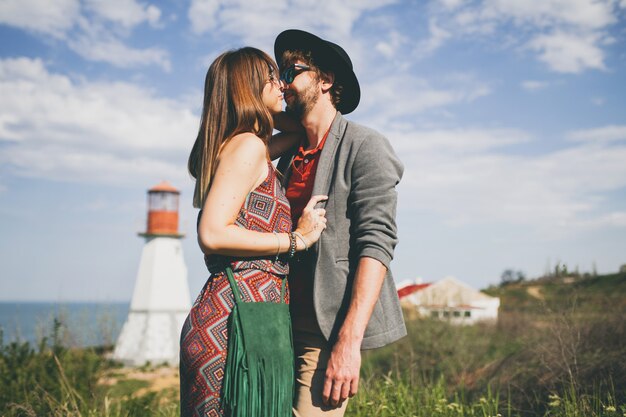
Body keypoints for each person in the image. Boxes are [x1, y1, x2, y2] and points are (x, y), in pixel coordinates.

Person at [179, 46, 327, 417]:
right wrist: (297, 239)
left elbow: (298, 128)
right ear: (248, 88)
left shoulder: (250, 147)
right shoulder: (246, 146)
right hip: (235, 321)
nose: (283, 84)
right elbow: (212, 233)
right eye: (272, 78)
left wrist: (273, 105)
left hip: (249, 313)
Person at [273, 30, 406, 416]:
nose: (282, 84)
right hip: (277, 325)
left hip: (324, 329)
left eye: (291, 72)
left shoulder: (366, 146)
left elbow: (376, 244)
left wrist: (348, 343)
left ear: (325, 80)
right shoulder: (288, 155)